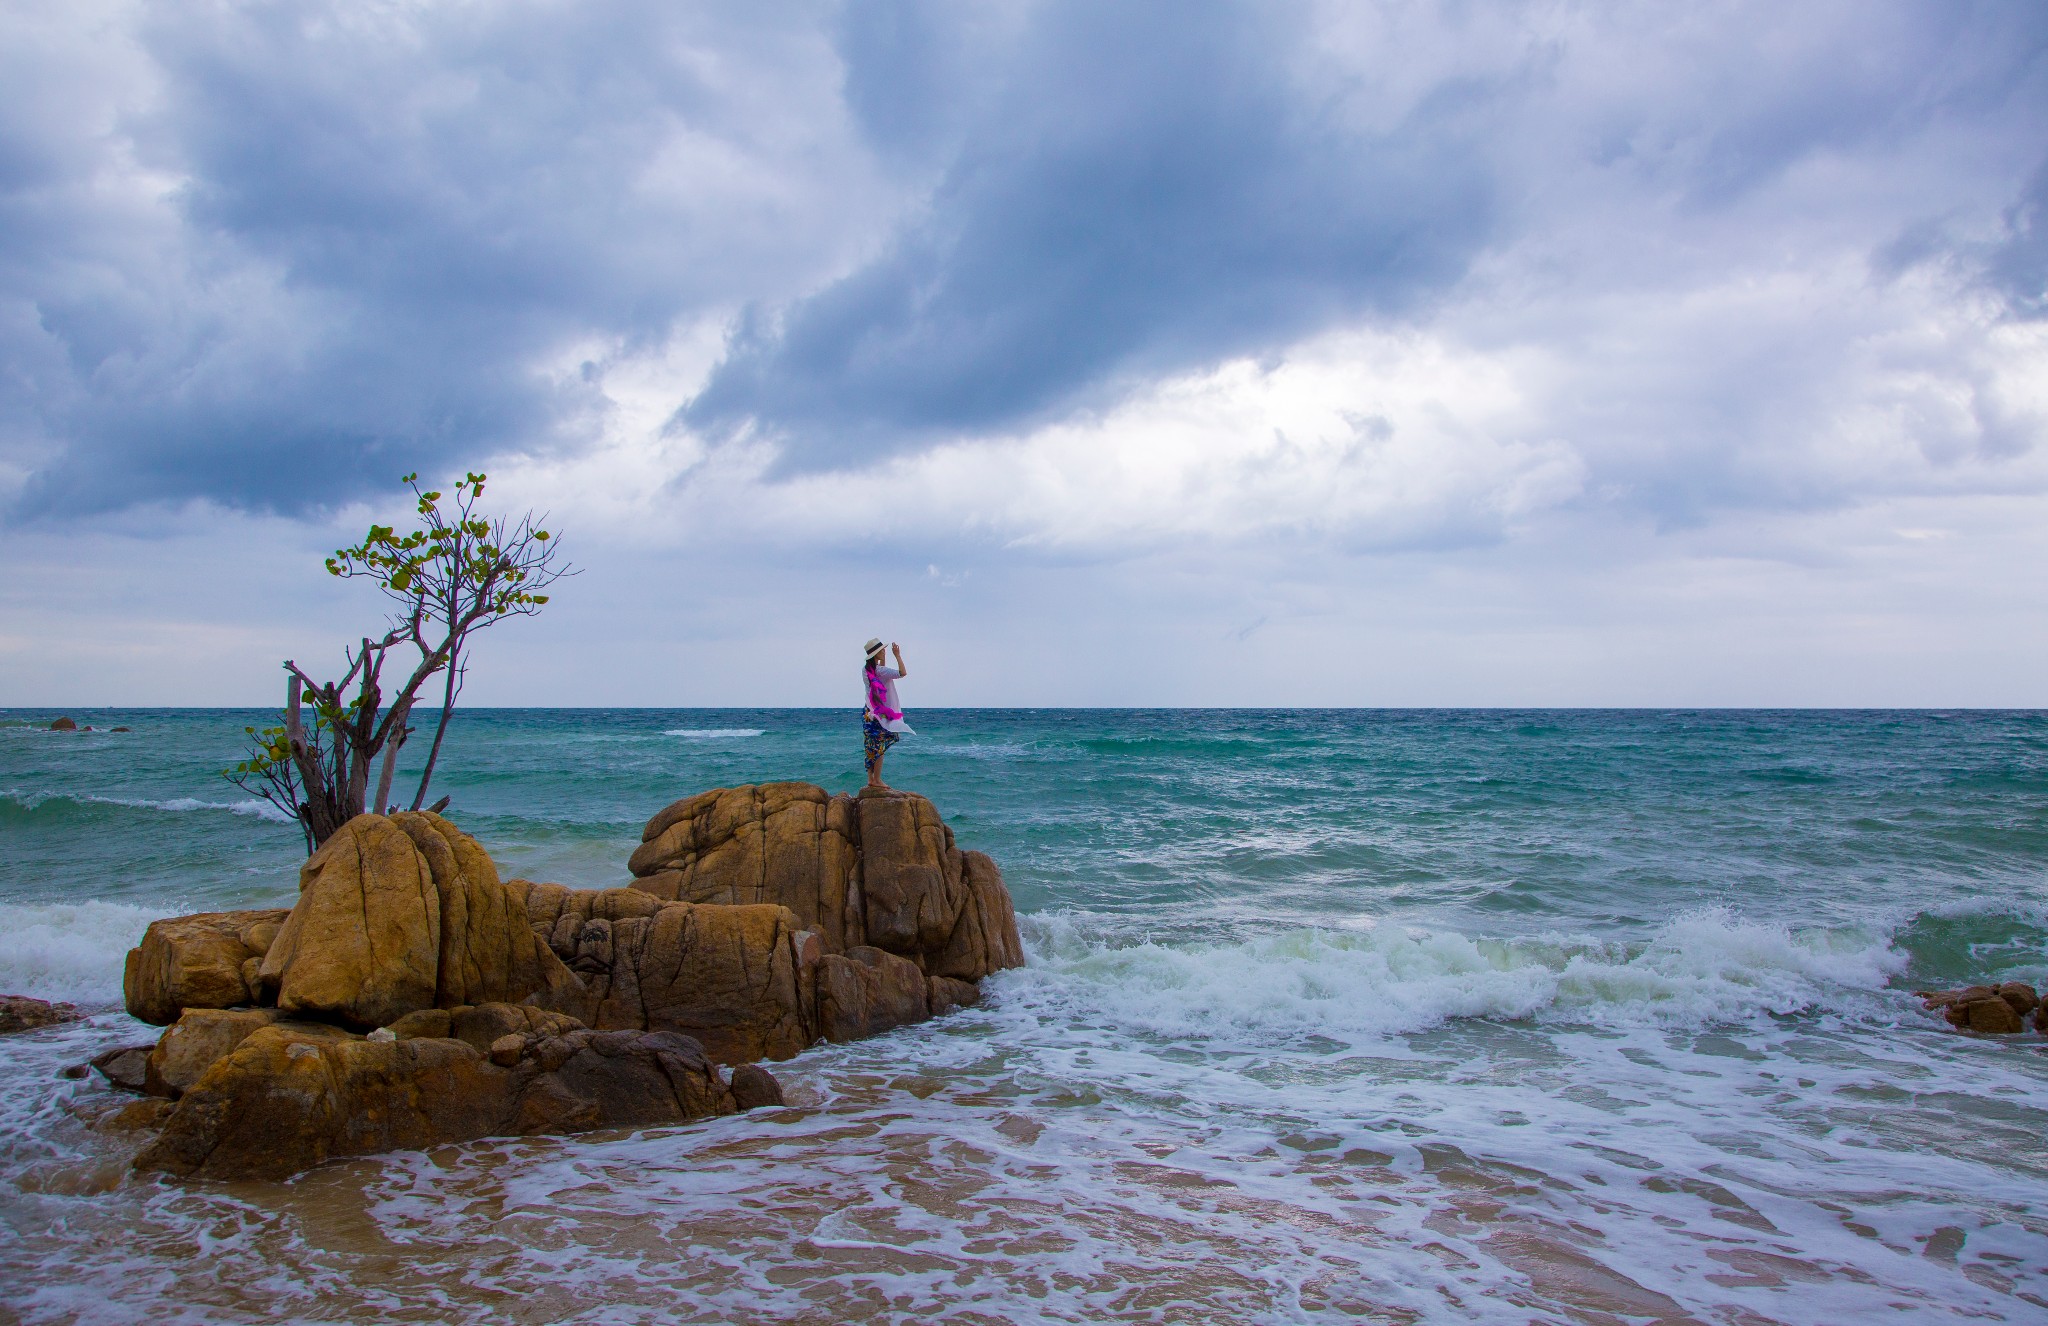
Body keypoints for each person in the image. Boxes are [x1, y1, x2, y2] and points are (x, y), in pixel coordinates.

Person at [862, 637, 913, 788]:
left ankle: (871, 779)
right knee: (880, 746)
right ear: (876, 654)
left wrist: (882, 659)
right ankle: (877, 780)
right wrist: (897, 655)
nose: (883, 651)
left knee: (871, 745)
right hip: (879, 714)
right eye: (881, 650)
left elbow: (880, 676)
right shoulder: (879, 671)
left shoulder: (866, 670)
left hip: (868, 712)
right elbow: (902, 672)